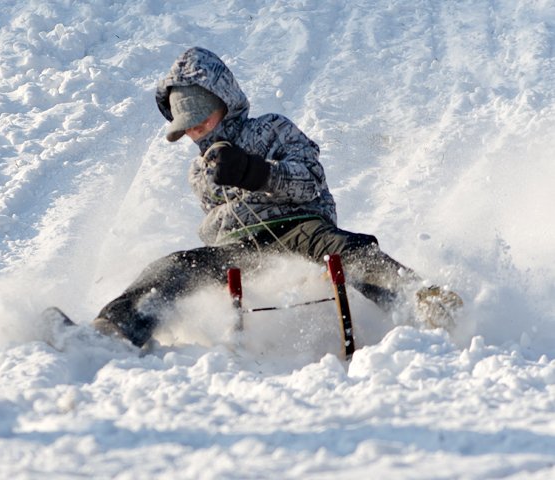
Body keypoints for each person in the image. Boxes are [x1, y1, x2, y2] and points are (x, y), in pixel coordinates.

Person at [93, 47, 461, 348]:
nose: (196, 130)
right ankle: (115, 329)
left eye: (201, 118)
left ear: (225, 102)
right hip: (241, 247)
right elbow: (213, 224)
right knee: (176, 265)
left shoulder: (272, 129)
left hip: (299, 227)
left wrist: (257, 172)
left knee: (347, 249)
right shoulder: (198, 171)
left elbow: (312, 181)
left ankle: (420, 299)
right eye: (188, 126)